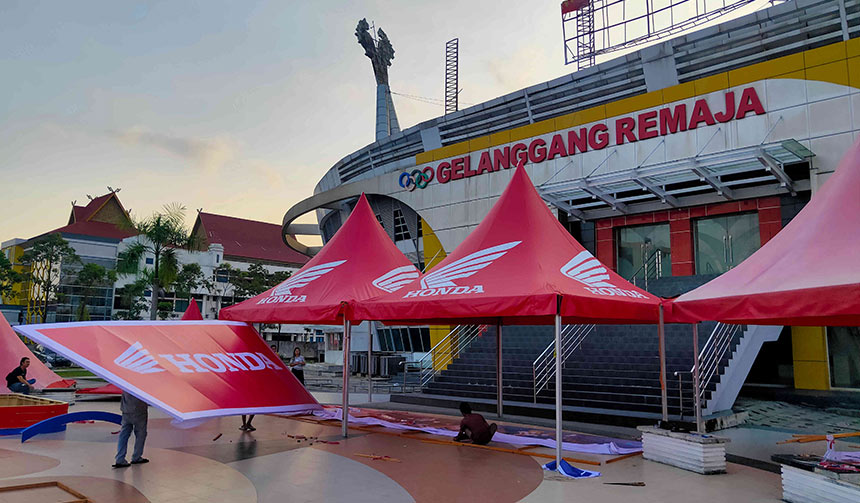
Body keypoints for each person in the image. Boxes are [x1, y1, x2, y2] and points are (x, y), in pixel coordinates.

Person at [114, 391, 149, 468]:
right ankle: (136, 457)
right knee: (140, 434)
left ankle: (120, 458)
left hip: (126, 410)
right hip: (139, 410)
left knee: (124, 435)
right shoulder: (141, 386)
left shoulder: (126, 384)